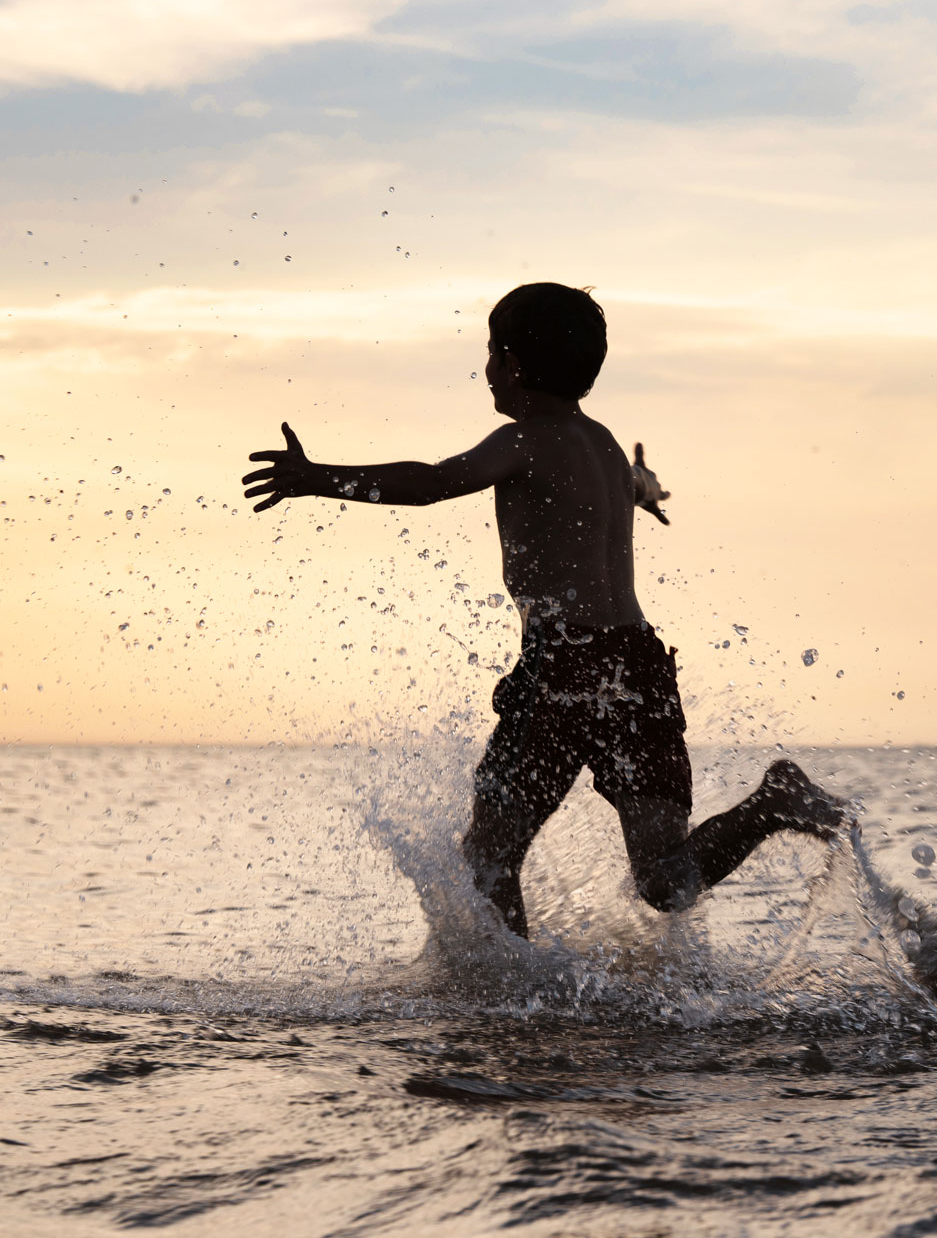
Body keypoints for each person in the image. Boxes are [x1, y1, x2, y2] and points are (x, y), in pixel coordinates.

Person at [242, 282, 847, 937]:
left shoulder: (524, 439)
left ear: (514, 363)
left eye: (491, 355)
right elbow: (632, 485)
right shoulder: (605, 445)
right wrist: (644, 488)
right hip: (637, 664)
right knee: (665, 880)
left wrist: (317, 477)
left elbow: (433, 482)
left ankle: (511, 1005)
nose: (487, 371)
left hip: (565, 664)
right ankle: (771, 803)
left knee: (487, 857)